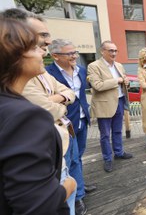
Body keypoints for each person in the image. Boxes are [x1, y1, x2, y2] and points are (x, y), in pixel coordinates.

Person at [0, 8, 82, 215]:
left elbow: (68, 92)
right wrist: (68, 187)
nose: (43, 50)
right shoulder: (25, 117)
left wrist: (56, 100)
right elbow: (38, 206)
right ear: (14, 53)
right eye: (33, 45)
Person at [47, 40, 97, 197]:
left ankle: (78, 182)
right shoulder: (48, 74)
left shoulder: (81, 70)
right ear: (55, 56)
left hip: (82, 119)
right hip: (65, 123)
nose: (74, 56)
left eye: (75, 52)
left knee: (79, 155)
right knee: (69, 160)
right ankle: (77, 195)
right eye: (69, 53)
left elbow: (81, 95)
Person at [87, 40, 133, 173]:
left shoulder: (119, 65)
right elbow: (97, 85)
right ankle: (107, 158)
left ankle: (119, 152)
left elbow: (123, 83)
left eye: (115, 50)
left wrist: (126, 82)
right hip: (104, 104)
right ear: (102, 51)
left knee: (118, 131)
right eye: (110, 50)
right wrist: (117, 80)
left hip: (119, 101)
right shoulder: (94, 66)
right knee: (105, 135)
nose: (114, 53)